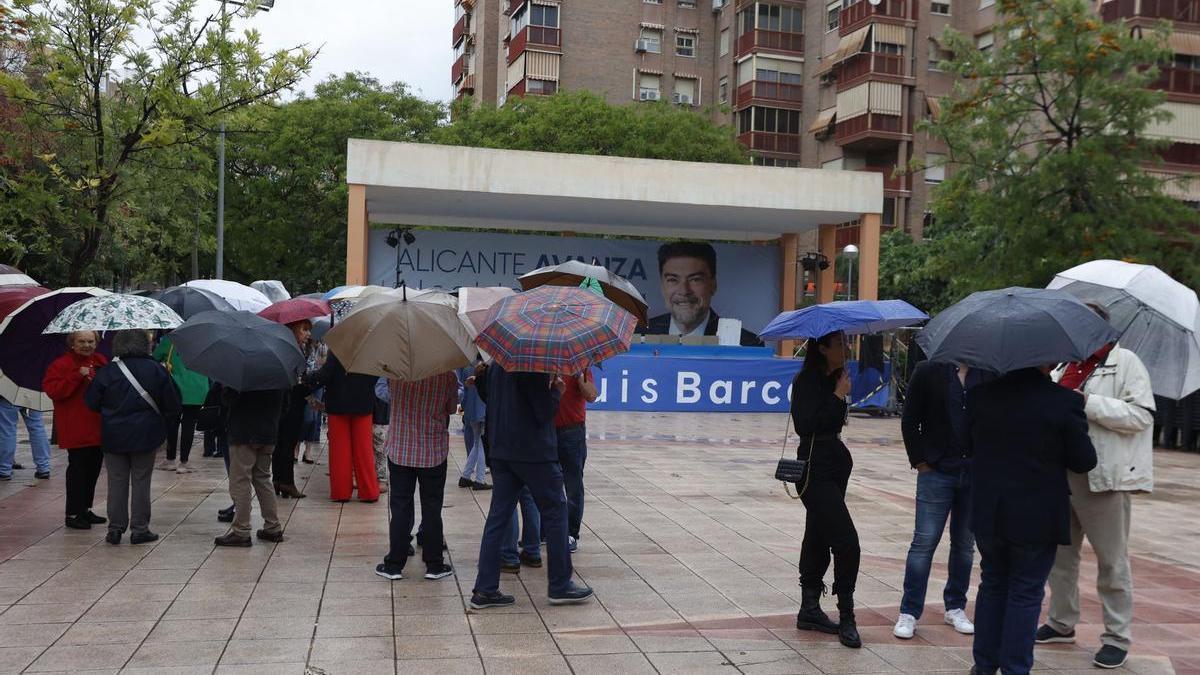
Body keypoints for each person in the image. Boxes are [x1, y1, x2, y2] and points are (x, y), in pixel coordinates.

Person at [1040, 307, 1155, 670]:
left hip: (1103, 478)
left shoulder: (1126, 362)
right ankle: (1061, 621)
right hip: (1060, 475)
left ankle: (1116, 637)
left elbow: (1142, 416)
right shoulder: (1064, 365)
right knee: (1061, 557)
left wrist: (1089, 402)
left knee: (1112, 562)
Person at [968, 366, 1098, 675]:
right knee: (1025, 592)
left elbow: (967, 445)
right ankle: (1015, 668)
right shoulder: (1063, 401)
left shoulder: (980, 396)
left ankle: (984, 665)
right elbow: (1084, 461)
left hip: (990, 509)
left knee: (993, 584)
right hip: (1036, 513)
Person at [469, 363, 593, 609]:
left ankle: (485, 589)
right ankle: (560, 585)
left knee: (498, 518)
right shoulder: (533, 365)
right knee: (556, 512)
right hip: (534, 453)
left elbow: (489, 398)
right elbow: (543, 411)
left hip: (502, 450)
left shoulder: (497, 364)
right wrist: (556, 390)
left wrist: (482, 379)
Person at [893, 361, 990, 639]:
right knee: (923, 542)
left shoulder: (987, 373)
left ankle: (955, 606)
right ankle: (909, 611)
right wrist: (920, 460)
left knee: (964, 544)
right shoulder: (927, 370)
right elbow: (910, 419)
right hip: (936, 470)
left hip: (973, 471)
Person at [790, 331, 861, 648]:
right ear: (821, 349)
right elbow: (806, 425)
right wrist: (836, 396)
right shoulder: (806, 381)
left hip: (835, 462)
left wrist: (841, 394)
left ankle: (809, 609)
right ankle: (847, 616)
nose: (845, 349)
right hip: (814, 468)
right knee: (846, 541)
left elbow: (836, 422)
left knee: (818, 532)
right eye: (839, 344)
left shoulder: (836, 377)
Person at [84, 330, 181, 545]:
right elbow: (173, 404)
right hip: (146, 436)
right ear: (145, 345)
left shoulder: (107, 371)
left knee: (116, 482)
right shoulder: (156, 370)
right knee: (141, 481)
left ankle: (115, 528)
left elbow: (91, 403)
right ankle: (140, 529)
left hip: (113, 436)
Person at [374, 371, 460, 582]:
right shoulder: (447, 375)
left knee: (400, 507)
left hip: (401, 449)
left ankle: (394, 564)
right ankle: (434, 564)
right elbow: (451, 408)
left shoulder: (395, 371)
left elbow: (383, 394)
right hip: (433, 450)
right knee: (432, 508)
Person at [43, 331, 108, 529]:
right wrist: (76, 376)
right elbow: (53, 391)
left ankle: (85, 509)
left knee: (93, 470)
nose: (87, 345)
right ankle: (72, 513)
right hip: (76, 426)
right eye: (82, 341)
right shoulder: (61, 364)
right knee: (78, 472)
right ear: (72, 343)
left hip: (98, 426)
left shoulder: (100, 361)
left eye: (91, 341)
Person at [645, 241, 764, 347]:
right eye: (673, 280)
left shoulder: (747, 344)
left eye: (695, 279)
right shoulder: (635, 336)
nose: (684, 291)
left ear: (713, 285)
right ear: (662, 285)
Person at [307, 352, 379, 503]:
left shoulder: (338, 349)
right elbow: (376, 376)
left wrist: (309, 377)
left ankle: (341, 492)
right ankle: (369, 491)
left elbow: (325, 375)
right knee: (364, 450)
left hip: (338, 404)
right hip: (363, 404)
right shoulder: (370, 350)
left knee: (339, 451)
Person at [153, 334, 209, 474]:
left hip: (176, 389)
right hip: (198, 387)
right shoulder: (204, 340)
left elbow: (155, 357)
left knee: (172, 424)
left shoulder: (170, 339)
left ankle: (170, 459)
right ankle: (184, 462)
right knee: (189, 425)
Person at [556, 370, 597, 552]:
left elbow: (592, 395)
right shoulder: (545, 364)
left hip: (572, 433)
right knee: (546, 484)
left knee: (573, 487)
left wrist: (579, 375)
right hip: (545, 432)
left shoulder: (581, 366)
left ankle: (571, 533)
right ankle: (545, 530)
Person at [0, 397, 52, 481]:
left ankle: (4, 469)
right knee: (37, 427)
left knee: (7, 430)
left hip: (9, 394)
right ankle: (44, 468)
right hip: (32, 391)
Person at [456, 364, 489, 490]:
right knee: (479, 443)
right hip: (482, 409)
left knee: (476, 442)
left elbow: (463, 389)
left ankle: (466, 476)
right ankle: (480, 479)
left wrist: (463, 408)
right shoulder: (484, 368)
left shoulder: (465, 367)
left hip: (470, 409)